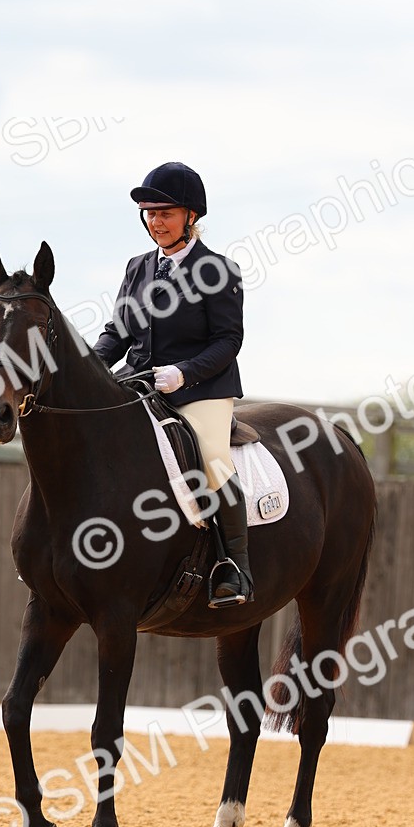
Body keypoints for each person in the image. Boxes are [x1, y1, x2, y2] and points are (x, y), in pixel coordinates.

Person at [93, 161, 253, 607]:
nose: (155, 222)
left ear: (191, 217)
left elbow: (228, 340)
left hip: (201, 389)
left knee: (214, 458)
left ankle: (234, 566)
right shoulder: (138, 267)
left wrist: (186, 372)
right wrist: (91, 367)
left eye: (165, 213)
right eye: (149, 213)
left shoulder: (219, 270)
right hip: (140, 381)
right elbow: (119, 331)